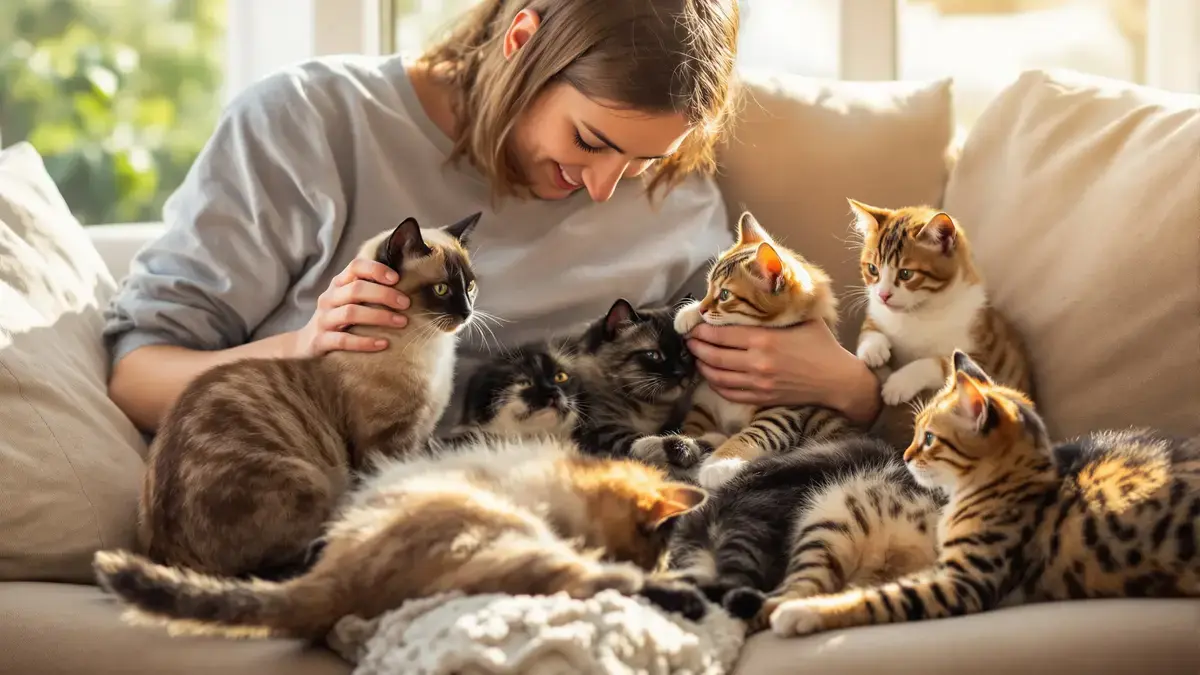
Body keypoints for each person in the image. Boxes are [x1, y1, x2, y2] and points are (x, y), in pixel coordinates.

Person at [103, 0, 880, 435]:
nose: (607, 188)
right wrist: (306, 349)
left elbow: (729, 391)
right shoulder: (310, 123)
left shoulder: (676, 197)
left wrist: (851, 387)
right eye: (590, 140)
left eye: (641, 162)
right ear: (521, 41)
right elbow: (138, 376)